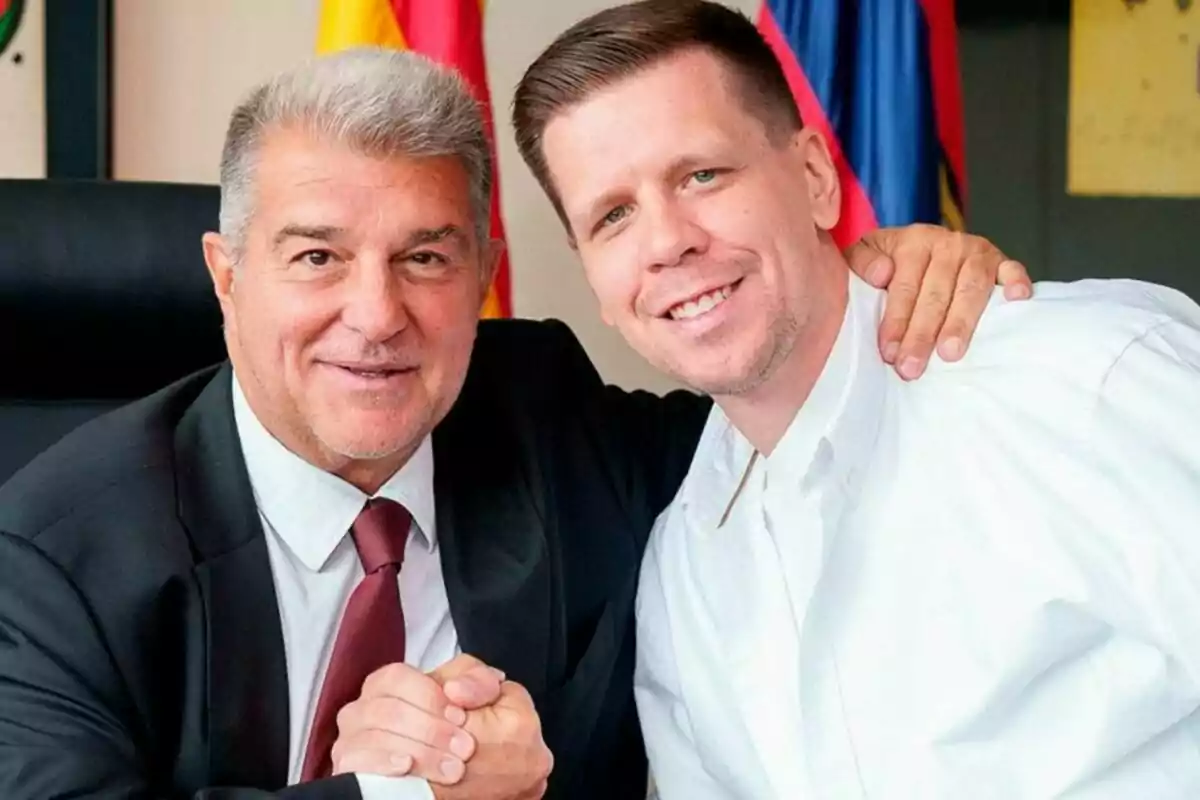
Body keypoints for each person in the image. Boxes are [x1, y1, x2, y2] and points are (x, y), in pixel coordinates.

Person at [0, 49, 1029, 800]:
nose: (376, 315)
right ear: (228, 279)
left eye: (427, 258)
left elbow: (791, 399)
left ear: (485, 279)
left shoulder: (545, 410)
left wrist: (894, 276)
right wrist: (407, 796)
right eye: (317, 257)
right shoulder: (53, 550)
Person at [505, 1, 1200, 798]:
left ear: (813, 178)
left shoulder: (1088, 385)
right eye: (614, 216)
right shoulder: (682, 566)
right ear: (593, 274)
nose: (667, 243)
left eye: (701, 175)